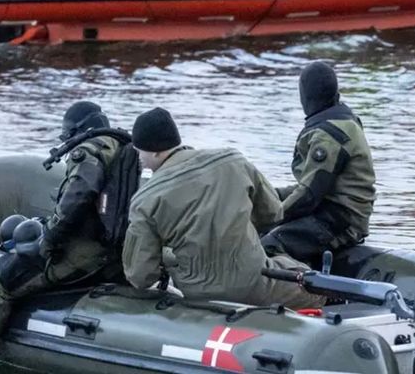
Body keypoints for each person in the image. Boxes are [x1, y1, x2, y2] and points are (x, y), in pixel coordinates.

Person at [0, 101, 140, 373]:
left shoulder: (87, 152)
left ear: (78, 130)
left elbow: (79, 195)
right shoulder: (124, 149)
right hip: (114, 254)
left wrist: (48, 240)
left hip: (82, 255)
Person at [122, 107, 325, 308]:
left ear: (156, 151)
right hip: (253, 282)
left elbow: (140, 276)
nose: (139, 157)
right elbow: (272, 213)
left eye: (140, 151)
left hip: (196, 293)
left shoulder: (144, 199)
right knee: (307, 280)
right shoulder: (232, 160)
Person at [261, 62, 376, 267]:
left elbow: (308, 196)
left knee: (268, 244)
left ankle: (293, 294)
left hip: (340, 220)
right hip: (334, 210)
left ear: (305, 96)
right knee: (271, 209)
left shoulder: (328, 137)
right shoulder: (342, 121)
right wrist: (268, 195)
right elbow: (313, 187)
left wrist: (270, 216)